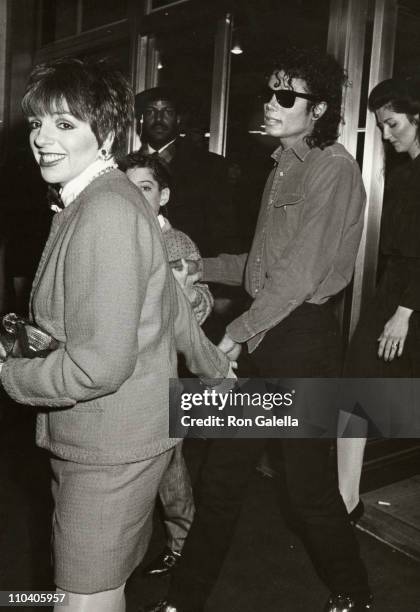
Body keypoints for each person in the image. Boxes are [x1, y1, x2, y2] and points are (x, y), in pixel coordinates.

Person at [0, 58, 234, 612]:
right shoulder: (108, 199)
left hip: (107, 446)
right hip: (117, 437)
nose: (42, 139)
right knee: (99, 588)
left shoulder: (103, 209)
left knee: (81, 597)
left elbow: (98, 366)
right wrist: (212, 366)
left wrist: (9, 372)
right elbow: (170, 306)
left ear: (104, 133)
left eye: (64, 124)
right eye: (37, 124)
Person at [146, 47, 372, 612]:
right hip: (271, 332)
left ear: (317, 108)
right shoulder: (281, 166)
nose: (271, 104)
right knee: (222, 478)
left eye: (286, 97)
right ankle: (183, 600)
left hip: (301, 343)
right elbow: (265, 264)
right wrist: (205, 267)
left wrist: (237, 332)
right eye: (270, 93)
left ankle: (354, 592)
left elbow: (299, 275)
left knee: (308, 488)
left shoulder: (333, 169)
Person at [120, 151, 214, 574]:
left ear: (165, 195)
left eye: (146, 187)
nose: (137, 197)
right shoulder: (115, 233)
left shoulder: (174, 242)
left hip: (161, 372)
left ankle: (182, 546)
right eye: (128, 187)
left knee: (169, 470)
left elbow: (199, 297)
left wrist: (194, 299)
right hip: (122, 372)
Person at [338, 76, 420, 520]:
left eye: (392, 125)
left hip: (406, 301)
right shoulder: (407, 171)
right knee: (354, 391)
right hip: (396, 293)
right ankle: (345, 498)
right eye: (381, 126)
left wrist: (403, 313)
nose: (385, 136)